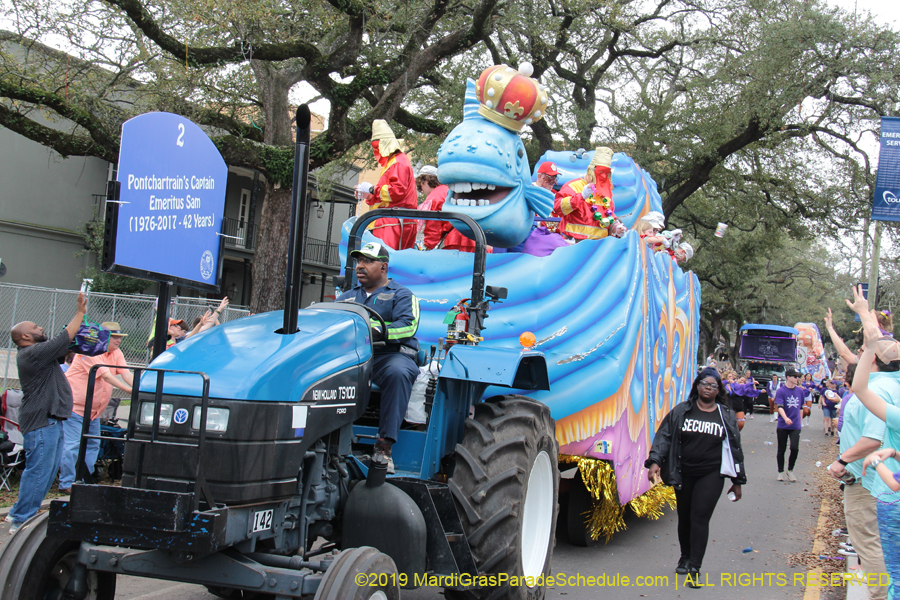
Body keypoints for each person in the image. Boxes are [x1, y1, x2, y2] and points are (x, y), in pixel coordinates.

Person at [645, 368, 745, 586]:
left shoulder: (725, 414)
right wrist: (655, 461)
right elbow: (665, 436)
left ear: (719, 390)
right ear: (697, 386)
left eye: (713, 386)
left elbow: (735, 449)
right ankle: (685, 555)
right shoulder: (682, 411)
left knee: (700, 517)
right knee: (685, 517)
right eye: (704, 384)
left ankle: (695, 566)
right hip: (684, 472)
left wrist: (737, 481)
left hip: (711, 473)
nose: (708, 388)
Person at [336, 241, 420, 473]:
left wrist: (378, 331)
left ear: (383, 267)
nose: (360, 266)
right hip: (354, 357)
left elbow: (408, 327)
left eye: (367, 261)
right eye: (358, 261)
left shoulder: (401, 295)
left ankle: (384, 447)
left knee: (399, 373)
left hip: (389, 355)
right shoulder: (346, 298)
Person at [7, 292, 87, 534]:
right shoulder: (31, 353)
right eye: (35, 327)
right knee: (40, 471)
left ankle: (16, 514)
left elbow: (66, 345)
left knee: (47, 470)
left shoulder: (39, 352)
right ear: (25, 336)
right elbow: (63, 338)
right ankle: (22, 519)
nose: (40, 327)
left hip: (51, 420)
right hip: (43, 421)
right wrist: (80, 312)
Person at [845, 285, 900, 599]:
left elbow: (860, 388)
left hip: (887, 496)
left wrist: (879, 461)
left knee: (890, 566)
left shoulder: (883, 395)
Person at [825, 367, 889, 600]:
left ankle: (880, 595)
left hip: (866, 480)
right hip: (876, 478)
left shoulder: (875, 394)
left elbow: (872, 439)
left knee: (868, 541)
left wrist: (842, 461)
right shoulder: (887, 388)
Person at [58, 322, 134, 493]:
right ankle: (67, 482)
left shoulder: (116, 353)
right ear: (103, 337)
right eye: (115, 337)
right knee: (72, 445)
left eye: (120, 337)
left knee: (93, 444)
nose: (118, 341)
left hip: (93, 412)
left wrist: (140, 387)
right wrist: (131, 391)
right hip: (75, 408)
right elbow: (107, 376)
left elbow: (126, 373)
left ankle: (84, 478)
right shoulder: (89, 352)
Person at [368, 120, 418, 250]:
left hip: (394, 221)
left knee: (386, 260)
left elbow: (396, 191)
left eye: (377, 146)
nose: (376, 150)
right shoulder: (395, 162)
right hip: (394, 219)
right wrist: (370, 195)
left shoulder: (397, 162)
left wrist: (373, 190)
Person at [552, 146, 619, 242]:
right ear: (591, 171)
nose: (603, 176)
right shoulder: (572, 186)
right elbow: (557, 208)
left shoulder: (606, 193)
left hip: (599, 247)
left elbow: (610, 217)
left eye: (606, 173)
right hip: (574, 244)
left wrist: (617, 228)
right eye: (600, 172)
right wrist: (581, 196)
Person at [774, 368, 806, 482]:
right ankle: (780, 472)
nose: (797, 379)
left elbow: (801, 407)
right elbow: (779, 406)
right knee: (781, 449)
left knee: (794, 448)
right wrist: (785, 418)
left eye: (798, 377)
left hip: (795, 425)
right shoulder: (781, 391)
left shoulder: (800, 391)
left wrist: (800, 422)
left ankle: (790, 470)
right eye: (795, 376)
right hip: (783, 425)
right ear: (788, 377)